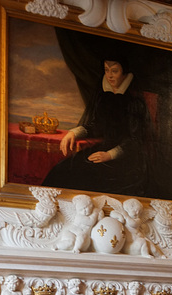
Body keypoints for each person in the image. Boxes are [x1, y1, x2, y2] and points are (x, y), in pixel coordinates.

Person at [42, 57, 154, 196]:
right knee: (63, 170)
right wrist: (74, 133)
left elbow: (135, 140)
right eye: (107, 70)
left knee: (89, 177)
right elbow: (96, 126)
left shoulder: (134, 101)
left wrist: (110, 155)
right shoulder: (105, 97)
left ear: (124, 73)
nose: (110, 75)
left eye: (115, 71)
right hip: (103, 149)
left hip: (126, 158)